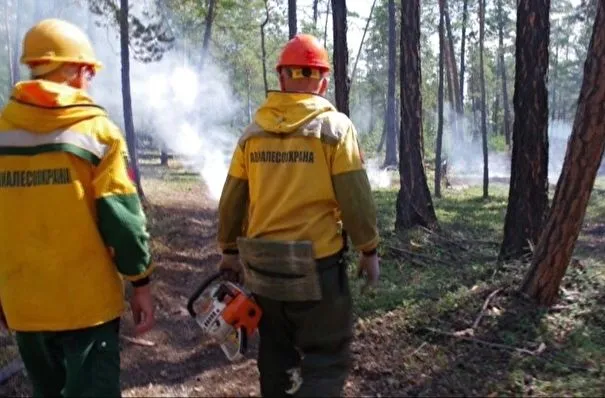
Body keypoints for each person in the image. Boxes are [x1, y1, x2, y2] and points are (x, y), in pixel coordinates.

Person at [216, 33, 380, 397]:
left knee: (275, 358)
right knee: (326, 359)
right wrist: (369, 249)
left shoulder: (252, 134)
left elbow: (232, 199)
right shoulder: (334, 129)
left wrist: (229, 249)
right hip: (317, 269)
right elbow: (355, 197)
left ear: (281, 79)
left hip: (263, 271)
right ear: (323, 81)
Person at [0, 18, 154, 397]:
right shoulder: (98, 132)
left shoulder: (3, 131)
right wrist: (141, 283)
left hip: (24, 305)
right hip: (86, 308)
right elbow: (122, 220)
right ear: (72, 70)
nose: (89, 80)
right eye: (87, 71)